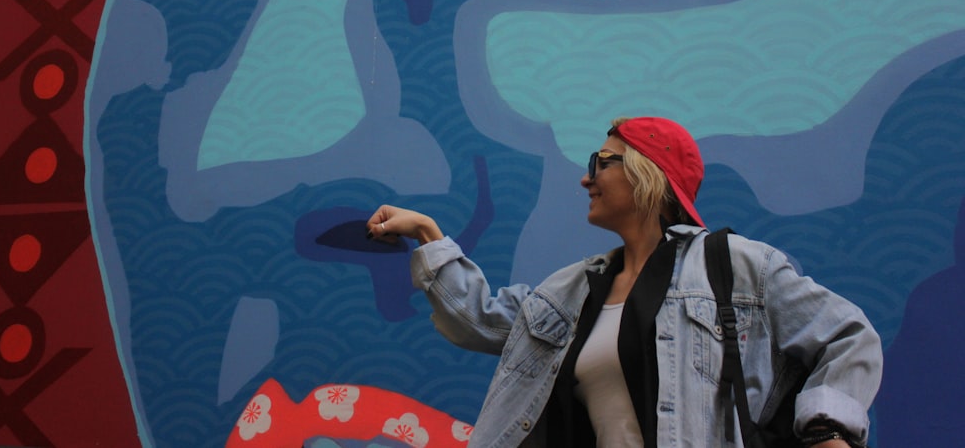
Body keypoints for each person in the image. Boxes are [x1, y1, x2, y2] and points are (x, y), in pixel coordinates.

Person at [367, 116, 882, 448]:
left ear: (647, 174)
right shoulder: (576, 290)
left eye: (600, 163)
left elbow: (847, 336)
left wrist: (827, 429)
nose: (586, 179)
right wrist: (429, 234)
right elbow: (479, 321)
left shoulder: (736, 265)